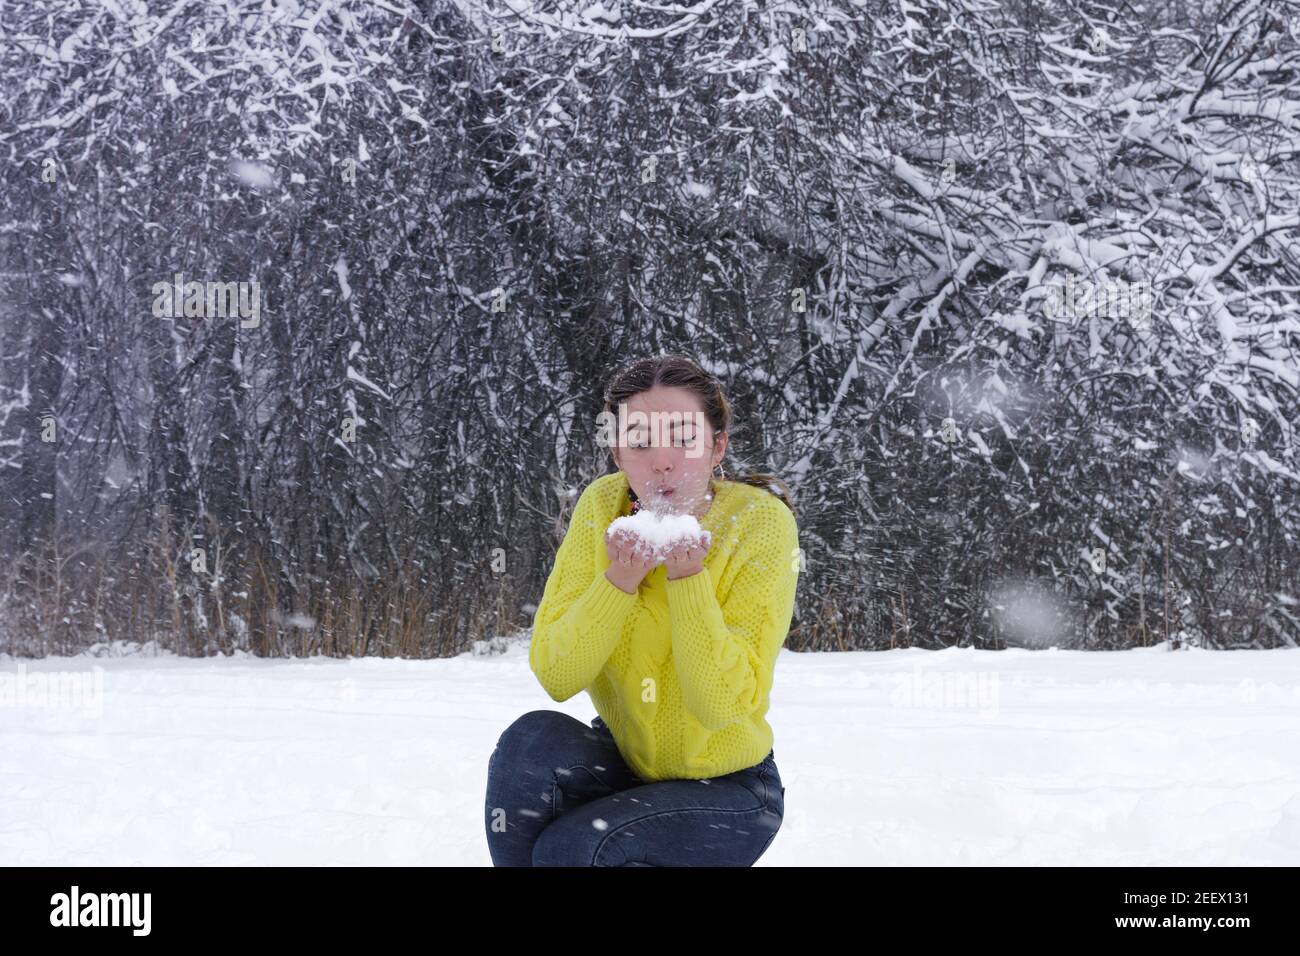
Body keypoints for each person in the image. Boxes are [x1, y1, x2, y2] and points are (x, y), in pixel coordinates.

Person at [484, 354, 801, 866]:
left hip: (728, 787)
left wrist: (688, 580)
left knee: (574, 847)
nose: (662, 461)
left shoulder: (760, 524)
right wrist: (619, 580)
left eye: (683, 437)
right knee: (530, 742)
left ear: (717, 444)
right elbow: (557, 674)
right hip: (624, 760)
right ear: (617, 451)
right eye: (639, 441)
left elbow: (721, 705)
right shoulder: (600, 507)